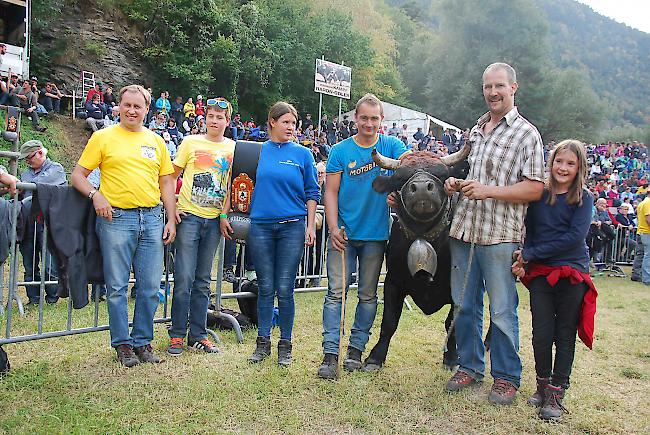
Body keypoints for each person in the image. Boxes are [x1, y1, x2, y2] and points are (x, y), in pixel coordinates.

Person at [443, 62, 545, 404]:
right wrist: (455, 184)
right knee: (463, 305)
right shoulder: (476, 129)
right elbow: (469, 171)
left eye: (499, 86)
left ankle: (506, 377)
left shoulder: (527, 134)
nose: (493, 92)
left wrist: (488, 190)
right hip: (464, 230)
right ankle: (469, 366)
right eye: (488, 87)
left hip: (501, 234)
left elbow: (534, 189)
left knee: (502, 309)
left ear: (514, 88)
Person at [70, 84, 177, 367]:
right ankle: (122, 344)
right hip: (115, 218)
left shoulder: (157, 141)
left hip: (152, 218)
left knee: (150, 286)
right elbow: (78, 175)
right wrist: (95, 196)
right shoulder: (102, 137)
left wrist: (170, 217)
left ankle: (143, 341)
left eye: (138, 106)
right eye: (127, 105)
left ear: (146, 109)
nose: (132, 110)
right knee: (116, 286)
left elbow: (166, 181)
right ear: (118, 106)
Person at [317, 93, 409, 379]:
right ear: (355, 119)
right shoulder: (340, 151)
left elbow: (411, 168)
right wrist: (333, 228)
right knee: (335, 294)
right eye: (364, 118)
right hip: (343, 234)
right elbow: (330, 193)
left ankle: (356, 349)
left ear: (382, 120)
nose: (369, 124)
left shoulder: (392, 145)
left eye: (375, 118)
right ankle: (330, 353)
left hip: (376, 236)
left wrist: (398, 192)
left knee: (368, 296)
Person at [226, 101, 319, 366]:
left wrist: (310, 225)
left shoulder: (303, 155)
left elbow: (313, 193)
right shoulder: (256, 152)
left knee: (285, 289)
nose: (291, 127)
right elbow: (236, 185)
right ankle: (262, 343)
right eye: (286, 122)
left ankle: (286, 345)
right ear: (272, 122)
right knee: (265, 287)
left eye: (294, 123)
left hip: (292, 226)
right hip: (261, 227)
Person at [511, 140, 597, 422]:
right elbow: (532, 232)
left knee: (564, 335)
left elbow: (574, 237)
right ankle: (542, 385)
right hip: (541, 274)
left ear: (579, 167)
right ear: (551, 163)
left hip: (571, 272)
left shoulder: (583, 198)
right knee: (541, 334)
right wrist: (525, 260)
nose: (563, 168)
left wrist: (531, 253)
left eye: (570, 164)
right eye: (559, 161)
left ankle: (558, 392)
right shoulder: (540, 196)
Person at [167, 97, 236, 356]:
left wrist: (223, 215)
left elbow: (231, 185)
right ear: (204, 119)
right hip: (190, 218)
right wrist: (172, 209)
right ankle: (176, 334)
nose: (215, 121)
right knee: (183, 278)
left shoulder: (233, 147)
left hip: (214, 220)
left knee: (203, 281)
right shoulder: (190, 142)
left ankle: (198, 334)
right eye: (211, 116)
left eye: (220, 117)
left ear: (227, 121)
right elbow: (171, 176)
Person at [18, 140, 67, 306]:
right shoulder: (25, 173)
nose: (27, 161)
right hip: (28, 222)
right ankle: (33, 299)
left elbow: (38, 187)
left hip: (49, 223)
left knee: (50, 263)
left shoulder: (56, 169)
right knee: (29, 261)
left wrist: (23, 187)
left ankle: (52, 298)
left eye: (29, 157)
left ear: (40, 152)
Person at [635, 194, 650, 285]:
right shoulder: (648, 203)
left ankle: (636, 274)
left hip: (640, 231)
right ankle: (647, 279)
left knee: (640, 254)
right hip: (647, 232)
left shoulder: (642, 203)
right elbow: (648, 219)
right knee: (648, 255)